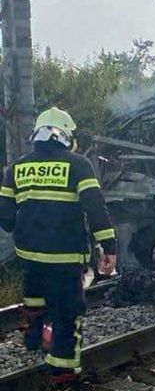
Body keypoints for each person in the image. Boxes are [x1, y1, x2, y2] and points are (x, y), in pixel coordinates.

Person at [0, 107, 117, 388]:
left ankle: (33, 338)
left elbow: (4, 219)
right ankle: (63, 377)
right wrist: (109, 247)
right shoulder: (78, 165)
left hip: (29, 256)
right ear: (65, 135)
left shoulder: (15, 168)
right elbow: (96, 209)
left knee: (35, 299)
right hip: (65, 260)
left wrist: (28, 229)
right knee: (67, 316)